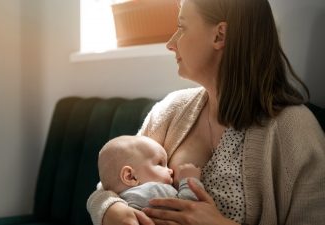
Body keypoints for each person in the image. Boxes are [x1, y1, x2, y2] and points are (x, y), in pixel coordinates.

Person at [87, 0, 325, 224]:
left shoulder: (295, 129)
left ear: (220, 35)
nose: (171, 43)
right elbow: (115, 181)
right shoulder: (169, 111)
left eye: (182, 27)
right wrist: (108, 210)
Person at [98, 135, 204, 210]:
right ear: (131, 176)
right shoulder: (152, 191)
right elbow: (187, 209)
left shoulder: (121, 201)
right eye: (160, 163)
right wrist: (190, 181)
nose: (170, 170)